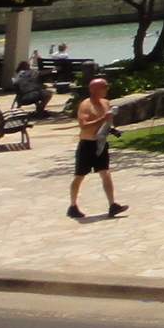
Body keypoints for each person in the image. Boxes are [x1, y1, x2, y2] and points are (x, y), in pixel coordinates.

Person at [67, 77, 126, 220]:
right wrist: (103, 119)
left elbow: (105, 124)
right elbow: (84, 125)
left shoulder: (106, 103)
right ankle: (73, 206)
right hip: (87, 144)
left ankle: (112, 205)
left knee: (105, 173)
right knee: (79, 176)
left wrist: (112, 130)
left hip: (100, 143)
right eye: (104, 86)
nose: (107, 89)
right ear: (94, 89)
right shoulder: (85, 105)